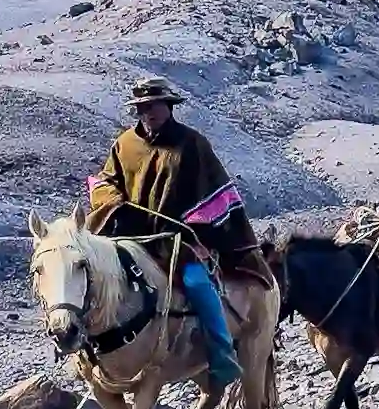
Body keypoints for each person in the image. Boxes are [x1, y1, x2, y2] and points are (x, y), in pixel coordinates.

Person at [86, 76, 263, 387]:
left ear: (168, 105)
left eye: (152, 105)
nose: (147, 113)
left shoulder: (192, 144)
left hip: (177, 239)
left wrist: (197, 230)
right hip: (129, 236)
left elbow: (216, 194)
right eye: (141, 107)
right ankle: (86, 353)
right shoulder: (124, 144)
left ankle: (222, 356)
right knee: (90, 278)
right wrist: (115, 202)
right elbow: (104, 181)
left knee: (197, 284)